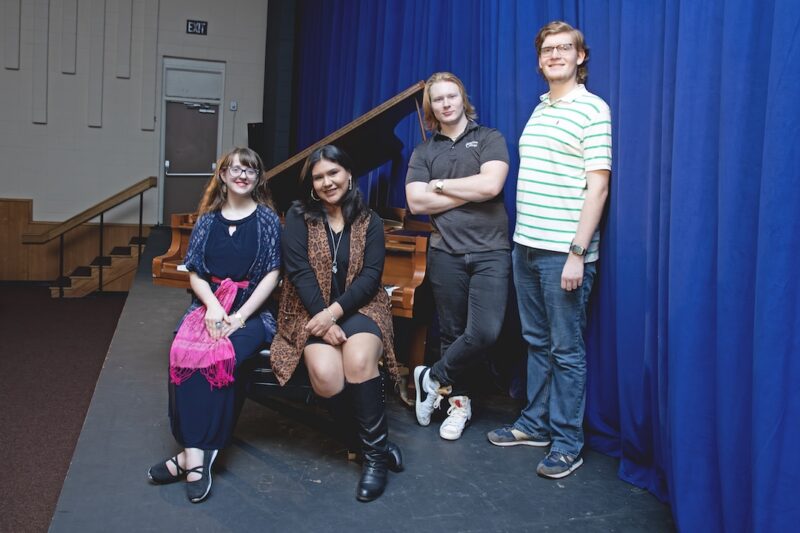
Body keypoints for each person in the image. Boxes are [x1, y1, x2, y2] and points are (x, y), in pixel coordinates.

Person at [487, 21, 612, 479]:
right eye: (547, 50)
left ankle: (567, 443)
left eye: (565, 49)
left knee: (566, 350)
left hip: (565, 252)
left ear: (581, 57)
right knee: (536, 343)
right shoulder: (539, 108)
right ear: (540, 61)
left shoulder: (593, 109)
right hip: (526, 248)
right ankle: (535, 424)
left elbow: (597, 190)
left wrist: (578, 252)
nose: (555, 55)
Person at [147, 147, 282, 503]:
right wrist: (210, 307)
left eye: (250, 170)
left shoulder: (268, 219)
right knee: (181, 352)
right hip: (208, 306)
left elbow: (272, 275)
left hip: (251, 311)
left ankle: (189, 460)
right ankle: (196, 454)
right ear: (222, 175)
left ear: (258, 178)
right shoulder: (207, 221)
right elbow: (195, 272)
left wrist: (239, 317)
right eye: (235, 169)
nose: (242, 175)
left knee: (221, 358)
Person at [269, 144, 403, 502]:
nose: (328, 182)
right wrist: (323, 320)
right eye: (319, 177)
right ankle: (369, 442)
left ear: (348, 175)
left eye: (333, 173)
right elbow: (298, 272)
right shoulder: (298, 216)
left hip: (361, 308)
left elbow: (370, 278)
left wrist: (333, 314)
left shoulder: (370, 221)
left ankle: (373, 459)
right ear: (311, 185)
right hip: (309, 312)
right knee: (327, 378)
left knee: (358, 361)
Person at [405, 72, 511, 441]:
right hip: (445, 252)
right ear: (430, 107)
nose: (446, 103)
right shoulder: (424, 151)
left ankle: (429, 377)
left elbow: (492, 185)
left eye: (452, 96)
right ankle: (458, 406)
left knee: (484, 331)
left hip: (491, 251)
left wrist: (442, 186)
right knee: (451, 333)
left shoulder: (489, 138)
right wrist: (472, 190)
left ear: (462, 99)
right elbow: (416, 201)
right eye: (438, 99)